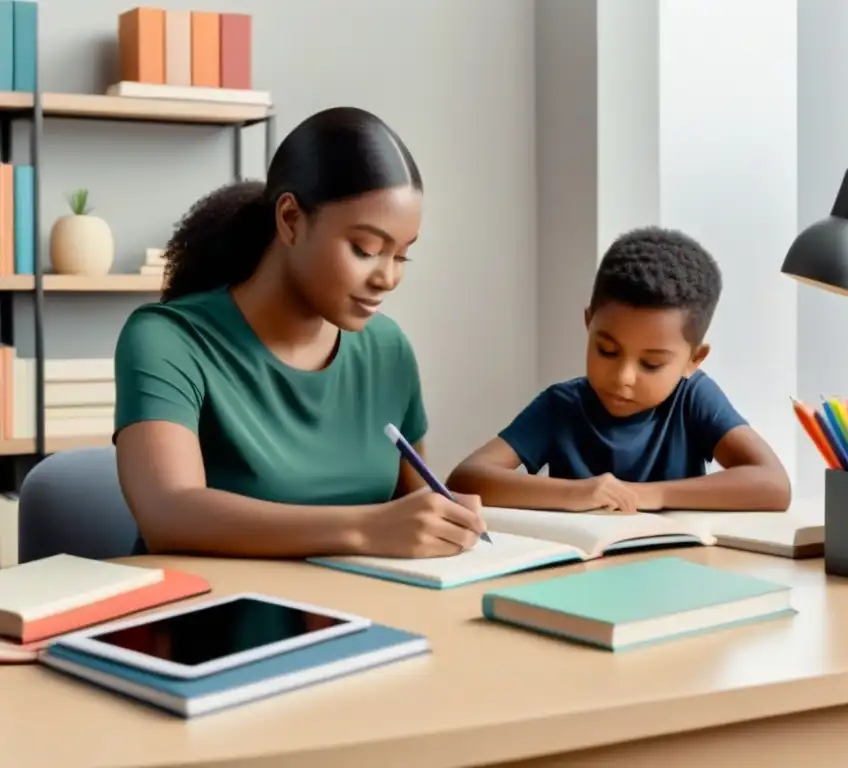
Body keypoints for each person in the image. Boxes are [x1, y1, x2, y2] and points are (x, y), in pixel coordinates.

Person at [114, 106, 485, 560]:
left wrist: (447, 520)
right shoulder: (169, 340)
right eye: (366, 249)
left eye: (402, 256)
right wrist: (365, 528)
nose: (387, 278)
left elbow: (412, 501)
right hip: (215, 618)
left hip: (367, 614)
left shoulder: (388, 349)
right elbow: (167, 514)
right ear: (290, 219)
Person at [446, 226, 792, 513]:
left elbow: (773, 485)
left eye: (651, 364)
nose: (623, 377)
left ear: (694, 360)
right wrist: (574, 493)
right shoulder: (561, 406)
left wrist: (649, 494)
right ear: (588, 324)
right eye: (607, 350)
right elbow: (467, 478)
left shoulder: (692, 398)